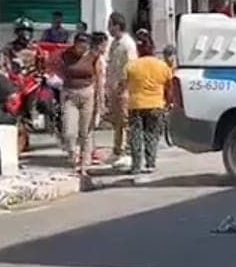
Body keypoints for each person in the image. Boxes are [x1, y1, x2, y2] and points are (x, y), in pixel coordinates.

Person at [125, 29, 175, 182]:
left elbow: (124, 85)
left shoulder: (131, 66)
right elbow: (169, 87)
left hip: (136, 105)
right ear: (153, 49)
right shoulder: (162, 66)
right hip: (156, 104)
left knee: (135, 135)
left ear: (139, 50)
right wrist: (169, 102)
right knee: (152, 135)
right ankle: (150, 163)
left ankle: (135, 165)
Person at [59, 31, 102, 174]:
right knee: (69, 130)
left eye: (85, 46)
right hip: (70, 94)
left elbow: (99, 77)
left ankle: (85, 162)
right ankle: (72, 154)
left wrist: (100, 99)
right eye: (79, 45)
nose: (82, 49)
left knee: (85, 131)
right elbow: (57, 68)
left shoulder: (93, 57)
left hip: (87, 93)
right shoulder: (66, 55)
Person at [106, 12, 138, 166]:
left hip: (123, 89)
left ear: (117, 26)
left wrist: (123, 86)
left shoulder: (127, 44)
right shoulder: (114, 43)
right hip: (113, 88)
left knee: (125, 121)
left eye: (110, 25)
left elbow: (130, 67)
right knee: (117, 121)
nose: (109, 29)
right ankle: (117, 150)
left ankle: (127, 152)